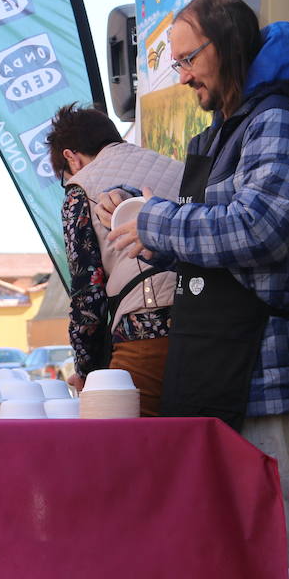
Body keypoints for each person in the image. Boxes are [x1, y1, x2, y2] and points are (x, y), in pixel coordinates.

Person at [103, 0, 289, 575]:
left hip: (262, 369)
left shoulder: (276, 125)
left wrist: (158, 220)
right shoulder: (227, 132)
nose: (182, 78)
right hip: (217, 364)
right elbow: (222, 246)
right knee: (230, 552)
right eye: (175, 64)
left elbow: (261, 229)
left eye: (187, 60)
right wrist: (152, 231)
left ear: (226, 46)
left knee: (276, 551)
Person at [46, 104, 183, 416]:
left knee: (127, 449)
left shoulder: (82, 187)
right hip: (207, 326)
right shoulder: (178, 168)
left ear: (71, 157)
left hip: (145, 333)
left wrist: (86, 369)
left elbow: (87, 292)